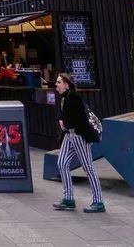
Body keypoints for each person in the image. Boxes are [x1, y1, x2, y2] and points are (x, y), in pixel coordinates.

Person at [51, 72, 103, 213]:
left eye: (59, 82)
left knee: (88, 167)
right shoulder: (64, 98)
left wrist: (84, 136)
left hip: (78, 136)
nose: (56, 84)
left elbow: (81, 120)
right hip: (70, 135)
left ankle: (98, 201)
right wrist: (62, 121)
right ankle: (68, 199)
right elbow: (63, 115)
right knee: (62, 163)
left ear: (66, 85)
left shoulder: (73, 97)